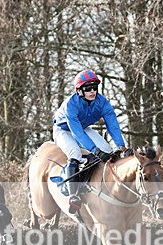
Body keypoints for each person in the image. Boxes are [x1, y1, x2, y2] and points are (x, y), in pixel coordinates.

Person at [52, 69, 127, 213]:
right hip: (64, 130)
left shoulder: (102, 102)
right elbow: (77, 133)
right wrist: (94, 150)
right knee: (75, 153)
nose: (93, 91)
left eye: (95, 87)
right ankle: (74, 196)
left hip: (83, 127)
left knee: (107, 150)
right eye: (88, 88)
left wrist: (121, 146)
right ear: (79, 90)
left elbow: (112, 124)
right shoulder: (71, 105)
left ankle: (99, 185)